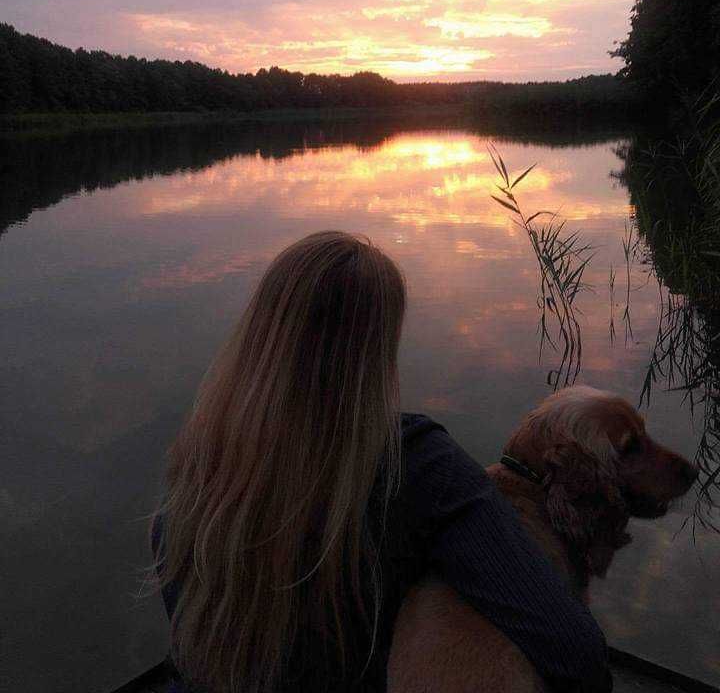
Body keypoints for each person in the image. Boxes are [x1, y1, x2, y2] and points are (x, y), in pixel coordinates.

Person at [152, 231, 612, 693]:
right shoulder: (416, 463)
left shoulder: (196, 470)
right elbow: (577, 654)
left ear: (260, 331)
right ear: (378, 349)